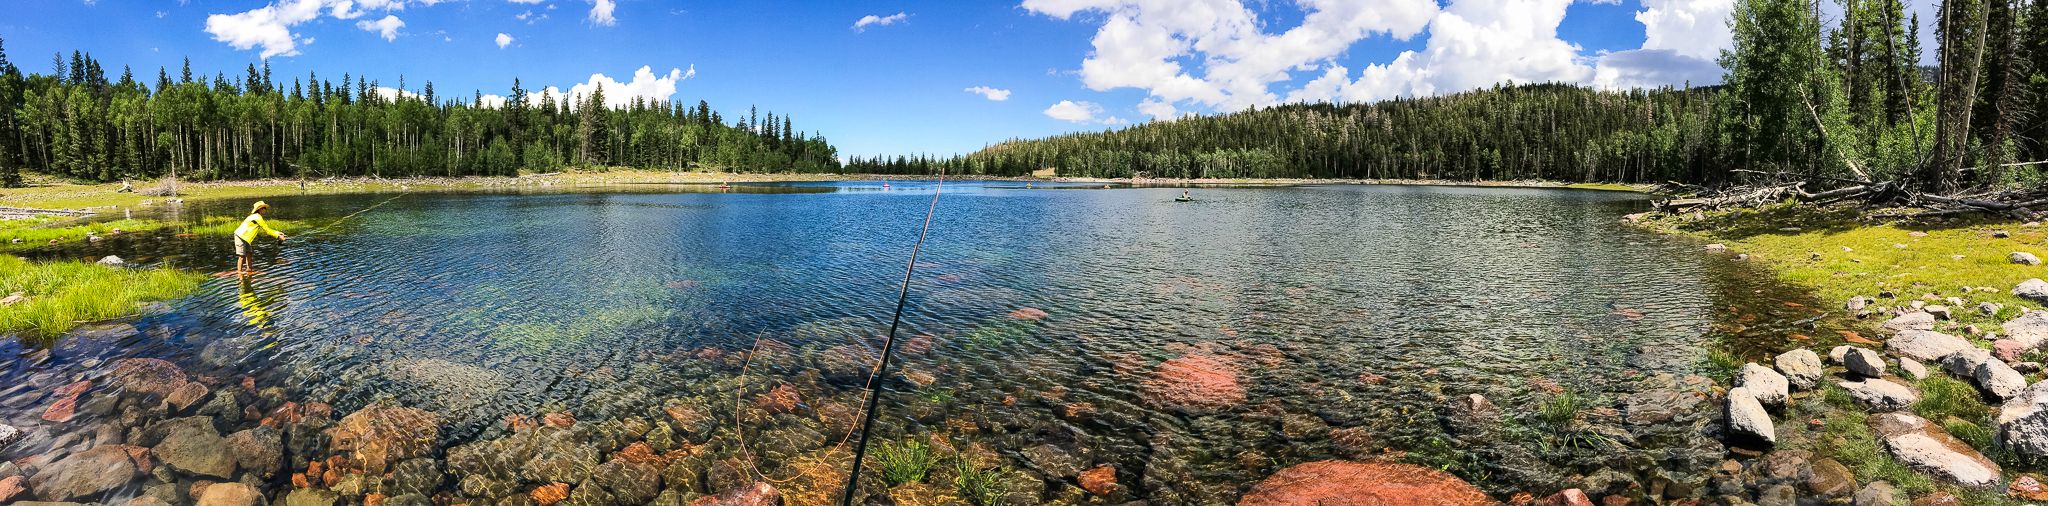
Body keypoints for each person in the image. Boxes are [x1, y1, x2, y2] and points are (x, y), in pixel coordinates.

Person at [234, 201, 286, 275]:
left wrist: (277, 233)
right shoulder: (257, 218)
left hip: (246, 238)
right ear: (260, 209)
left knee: (249, 253)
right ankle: (239, 273)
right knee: (242, 255)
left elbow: (267, 229)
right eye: (264, 208)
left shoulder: (257, 216)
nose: (265, 210)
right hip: (240, 236)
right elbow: (267, 231)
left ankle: (249, 270)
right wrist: (278, 236)